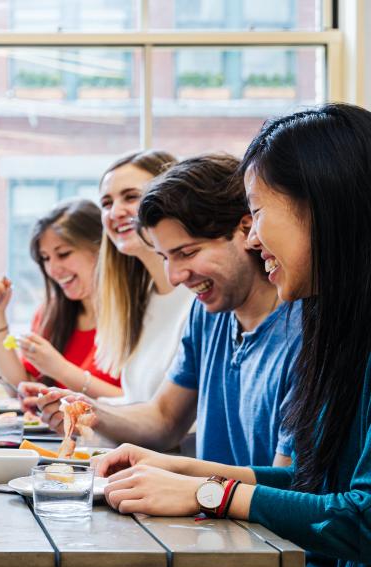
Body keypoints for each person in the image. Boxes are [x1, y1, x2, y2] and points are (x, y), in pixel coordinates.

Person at [57, 102, 371, 567]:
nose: (253, 238)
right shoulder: (337, 328)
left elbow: (359, 518)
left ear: (322, 206)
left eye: (260, 214)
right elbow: (308, 483)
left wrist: (213, 493)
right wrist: (182, 472)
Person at [29, 154, 297, 468]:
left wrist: (178, 476)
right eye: (165, 257)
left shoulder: (302, 329)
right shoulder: (207, 315)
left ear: (246, 230)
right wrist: (90, 410)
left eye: (187, 252)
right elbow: (165, 419)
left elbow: (285, 483)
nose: (174, 276)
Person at [0, 198, 122, 399]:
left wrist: (59, 368)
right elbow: (20, 386)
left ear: (102, 249)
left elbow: (138, 407)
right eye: (45, 258)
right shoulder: (51, 313)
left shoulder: (133, 318)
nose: (52, 269)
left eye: (63, 254)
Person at [95, 150, 194, 404]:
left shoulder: (199, 297)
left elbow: (171, 423)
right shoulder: (144, 299)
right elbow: (139, 403)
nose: (115, 212)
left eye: (130, 197)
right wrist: (78, 406)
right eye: (106, 203)